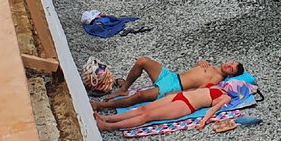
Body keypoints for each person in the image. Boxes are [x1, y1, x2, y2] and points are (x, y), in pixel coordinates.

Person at [94, 59, 245, 111]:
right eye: (230, 63)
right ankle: (124, 88)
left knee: (140, 96)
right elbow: (194, 73)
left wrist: (174, 95)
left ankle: (102, 106)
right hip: (171, 76)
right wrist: (199, 63)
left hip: (175, 86)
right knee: (142, 61)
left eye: (231, 68)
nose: (228, 65)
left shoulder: (217, 78)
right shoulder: (211, 66)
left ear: (231, 74)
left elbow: (198, 90)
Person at [93, 83, 232, 132]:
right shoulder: (216, 85)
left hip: (186, 105)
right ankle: (107, 118)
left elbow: (213, 109)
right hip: (180, 96)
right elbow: (196, 89)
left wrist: (203, 121)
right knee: (143, 109)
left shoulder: (226, 98)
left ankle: (108, 126)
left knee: (146, 116)